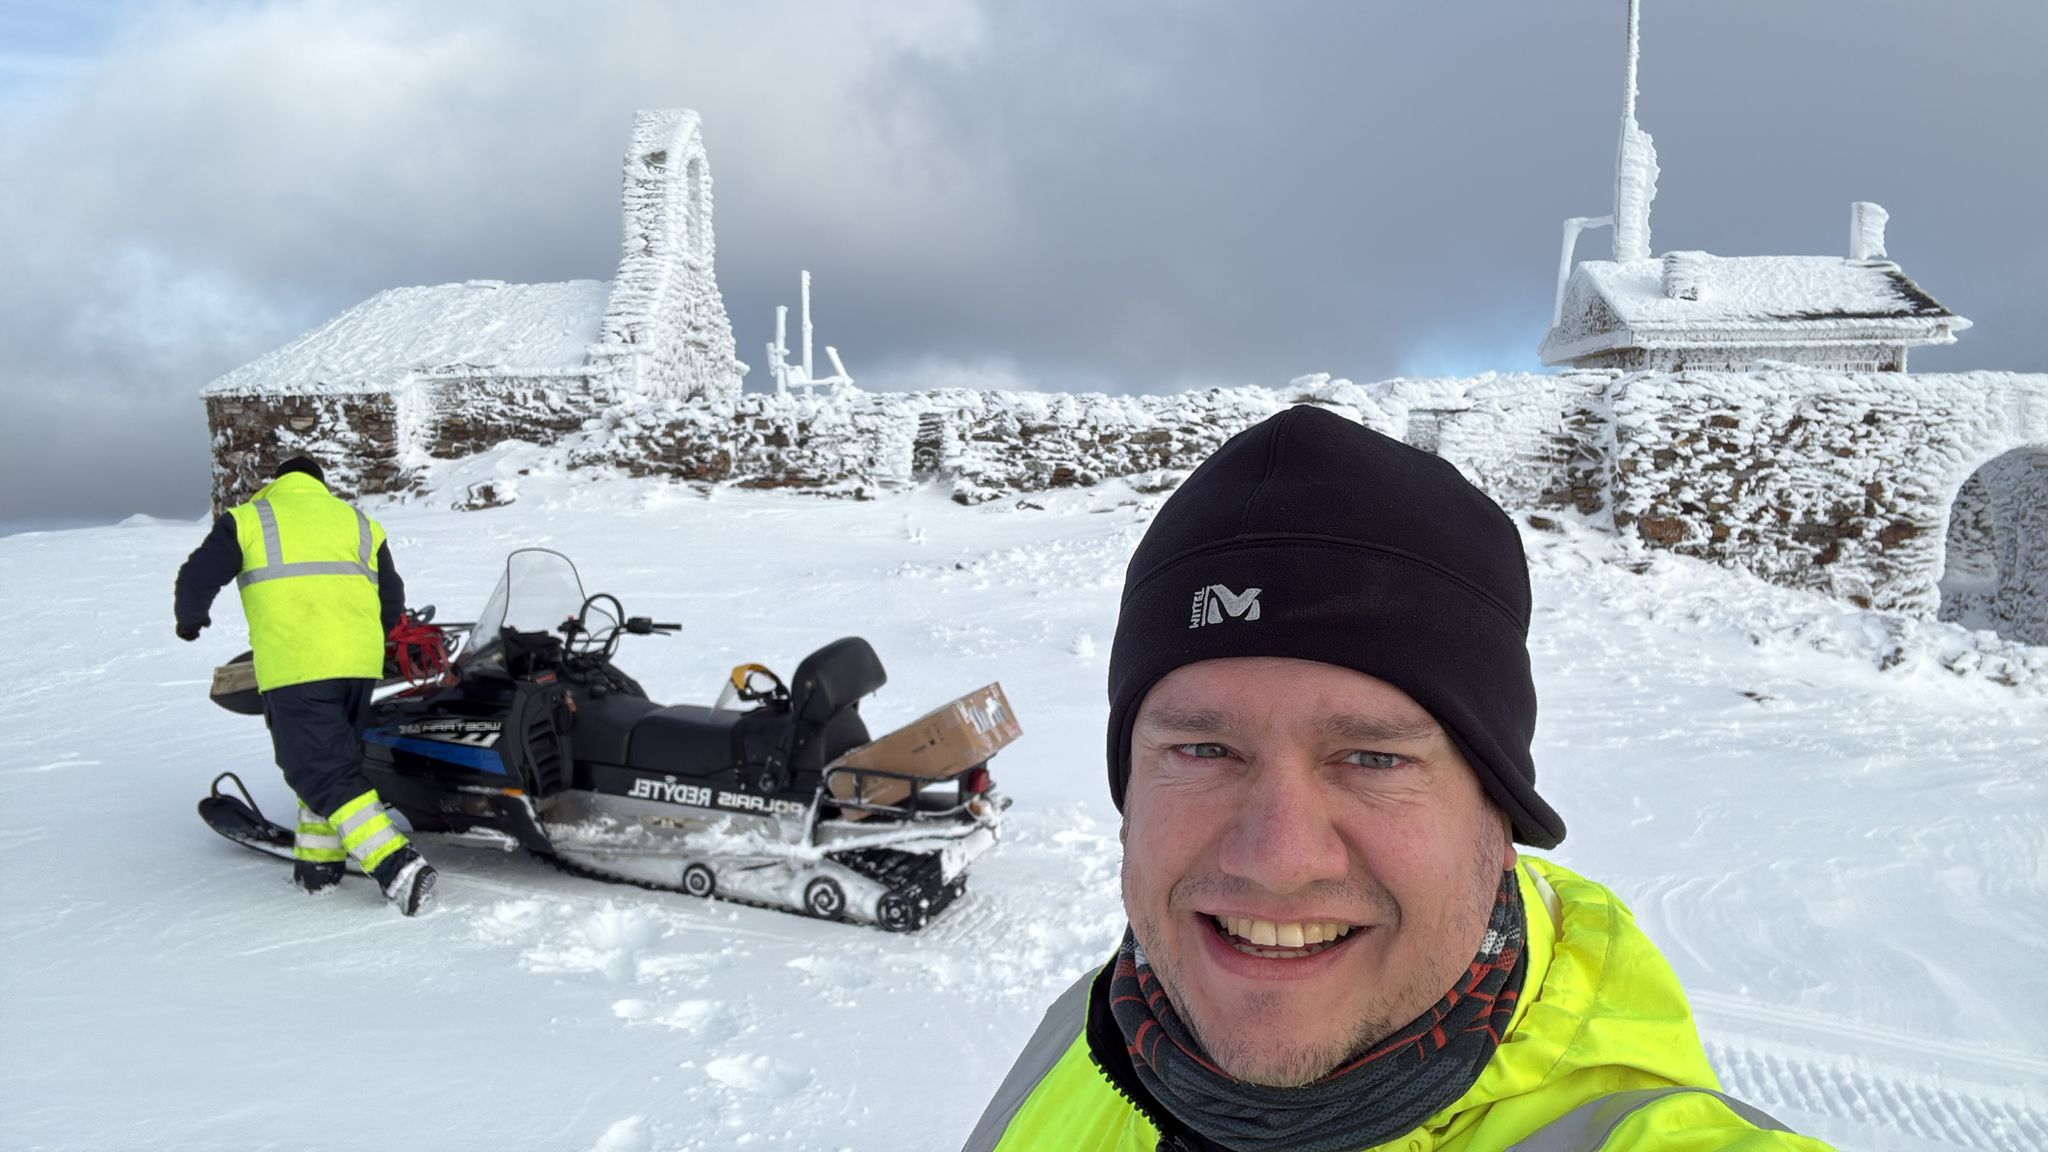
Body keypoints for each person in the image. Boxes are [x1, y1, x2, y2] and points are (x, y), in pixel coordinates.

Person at [964, 407, 1831, 1151]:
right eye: (1201, 750)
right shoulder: (1083, 1035)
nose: (1277, 859)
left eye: (1373, 758)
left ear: (1499, 817)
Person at [175, 455, 437, 916]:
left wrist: (191, 621)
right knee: (332, 761)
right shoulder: (358, 522)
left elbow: (197, 575)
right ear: (321, 485)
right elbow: (392, 599)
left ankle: (397, 865)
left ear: (279, 482)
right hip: (358, 669)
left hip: (296, 666)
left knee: (320, 770)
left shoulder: (250, 519)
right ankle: (319, 868)